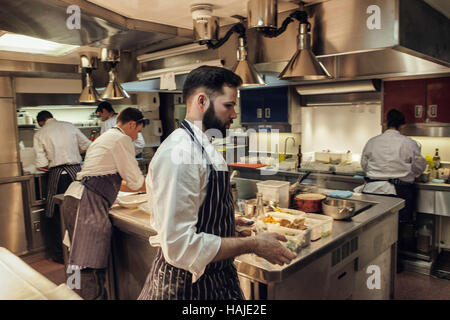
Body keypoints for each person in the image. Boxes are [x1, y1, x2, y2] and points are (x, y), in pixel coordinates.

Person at [138, 66, 296, 300]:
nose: (234, 114)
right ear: (202, 101)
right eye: (228, 106)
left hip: (215, 279)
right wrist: (254, 244)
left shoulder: (201, 145)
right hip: (186, 287)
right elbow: (180, 247)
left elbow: (199, 210)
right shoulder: (180, 154)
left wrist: (225, 223)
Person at [62, 107, 147, 300]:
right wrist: (161, 188)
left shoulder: (106, 137)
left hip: (74, 197)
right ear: (132, 125)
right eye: (138, 132)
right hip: (87, 204)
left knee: (76, 261)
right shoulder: (122, 139)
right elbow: (134, 181)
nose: (136, 137)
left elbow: (116, 180)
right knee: (88, 265)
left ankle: (74, 296)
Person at [359, 109, 427, 271]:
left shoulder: (372, 141)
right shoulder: (409, 143)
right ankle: (392, 264)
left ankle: (370, 262)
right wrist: (413, 174)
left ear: (385, 123)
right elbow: (419, 166)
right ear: (402, 126)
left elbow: (364, 164)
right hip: (398, 193)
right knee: (396, 230)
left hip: (372, 190)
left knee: (372, 228)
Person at [33, 110, 91, 263]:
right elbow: (87, 145)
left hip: (57, 175)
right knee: (83, 209)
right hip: (76, 172)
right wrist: (72, 153)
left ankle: (61, 255)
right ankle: (85, 250)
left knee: (54, 213)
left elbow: (41, 164)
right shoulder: (69, 126)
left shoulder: (40, 134)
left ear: (40, 122)